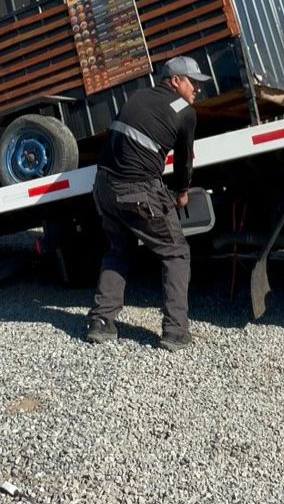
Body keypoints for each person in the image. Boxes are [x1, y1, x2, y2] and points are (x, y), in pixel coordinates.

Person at [86, 55, 209, 352]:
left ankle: (101, 322)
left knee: (119, 250)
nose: (197, 90)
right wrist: (181, 192)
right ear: (175, 80)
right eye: (193, 82)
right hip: (137, 190)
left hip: (103, 187)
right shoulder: (185, 111)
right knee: (176, 252)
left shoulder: (138, 96)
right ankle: (175, 331)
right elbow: (183, 163)